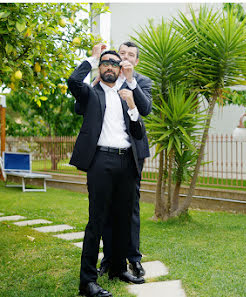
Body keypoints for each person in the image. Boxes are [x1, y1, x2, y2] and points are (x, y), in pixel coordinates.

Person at [68, 43, 150, 297]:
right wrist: (92, 59)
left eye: (114, 64)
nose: (110, 67)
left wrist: (133, 108)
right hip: (100, 161)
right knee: (97, 221)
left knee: (124, 219)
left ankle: (116, 268)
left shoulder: (127, 94)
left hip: (127, 161)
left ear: (120, 69)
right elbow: (73, 81)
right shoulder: (92, 93)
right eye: (105, 64)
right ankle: (87, 282)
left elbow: (137, 131)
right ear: (101, 69)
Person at [98, 41, 152, 279]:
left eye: (131, 55)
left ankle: (134, 259)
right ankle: (109, 259)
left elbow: (146, 109)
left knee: (131, 207)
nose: (126, 57)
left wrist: (130, 81)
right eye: (122, 53)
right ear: (116, 57)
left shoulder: (142, 81)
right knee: (107, 206)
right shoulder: (106, 79)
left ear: (136, 61)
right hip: (107, 153)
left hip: (132, 153)